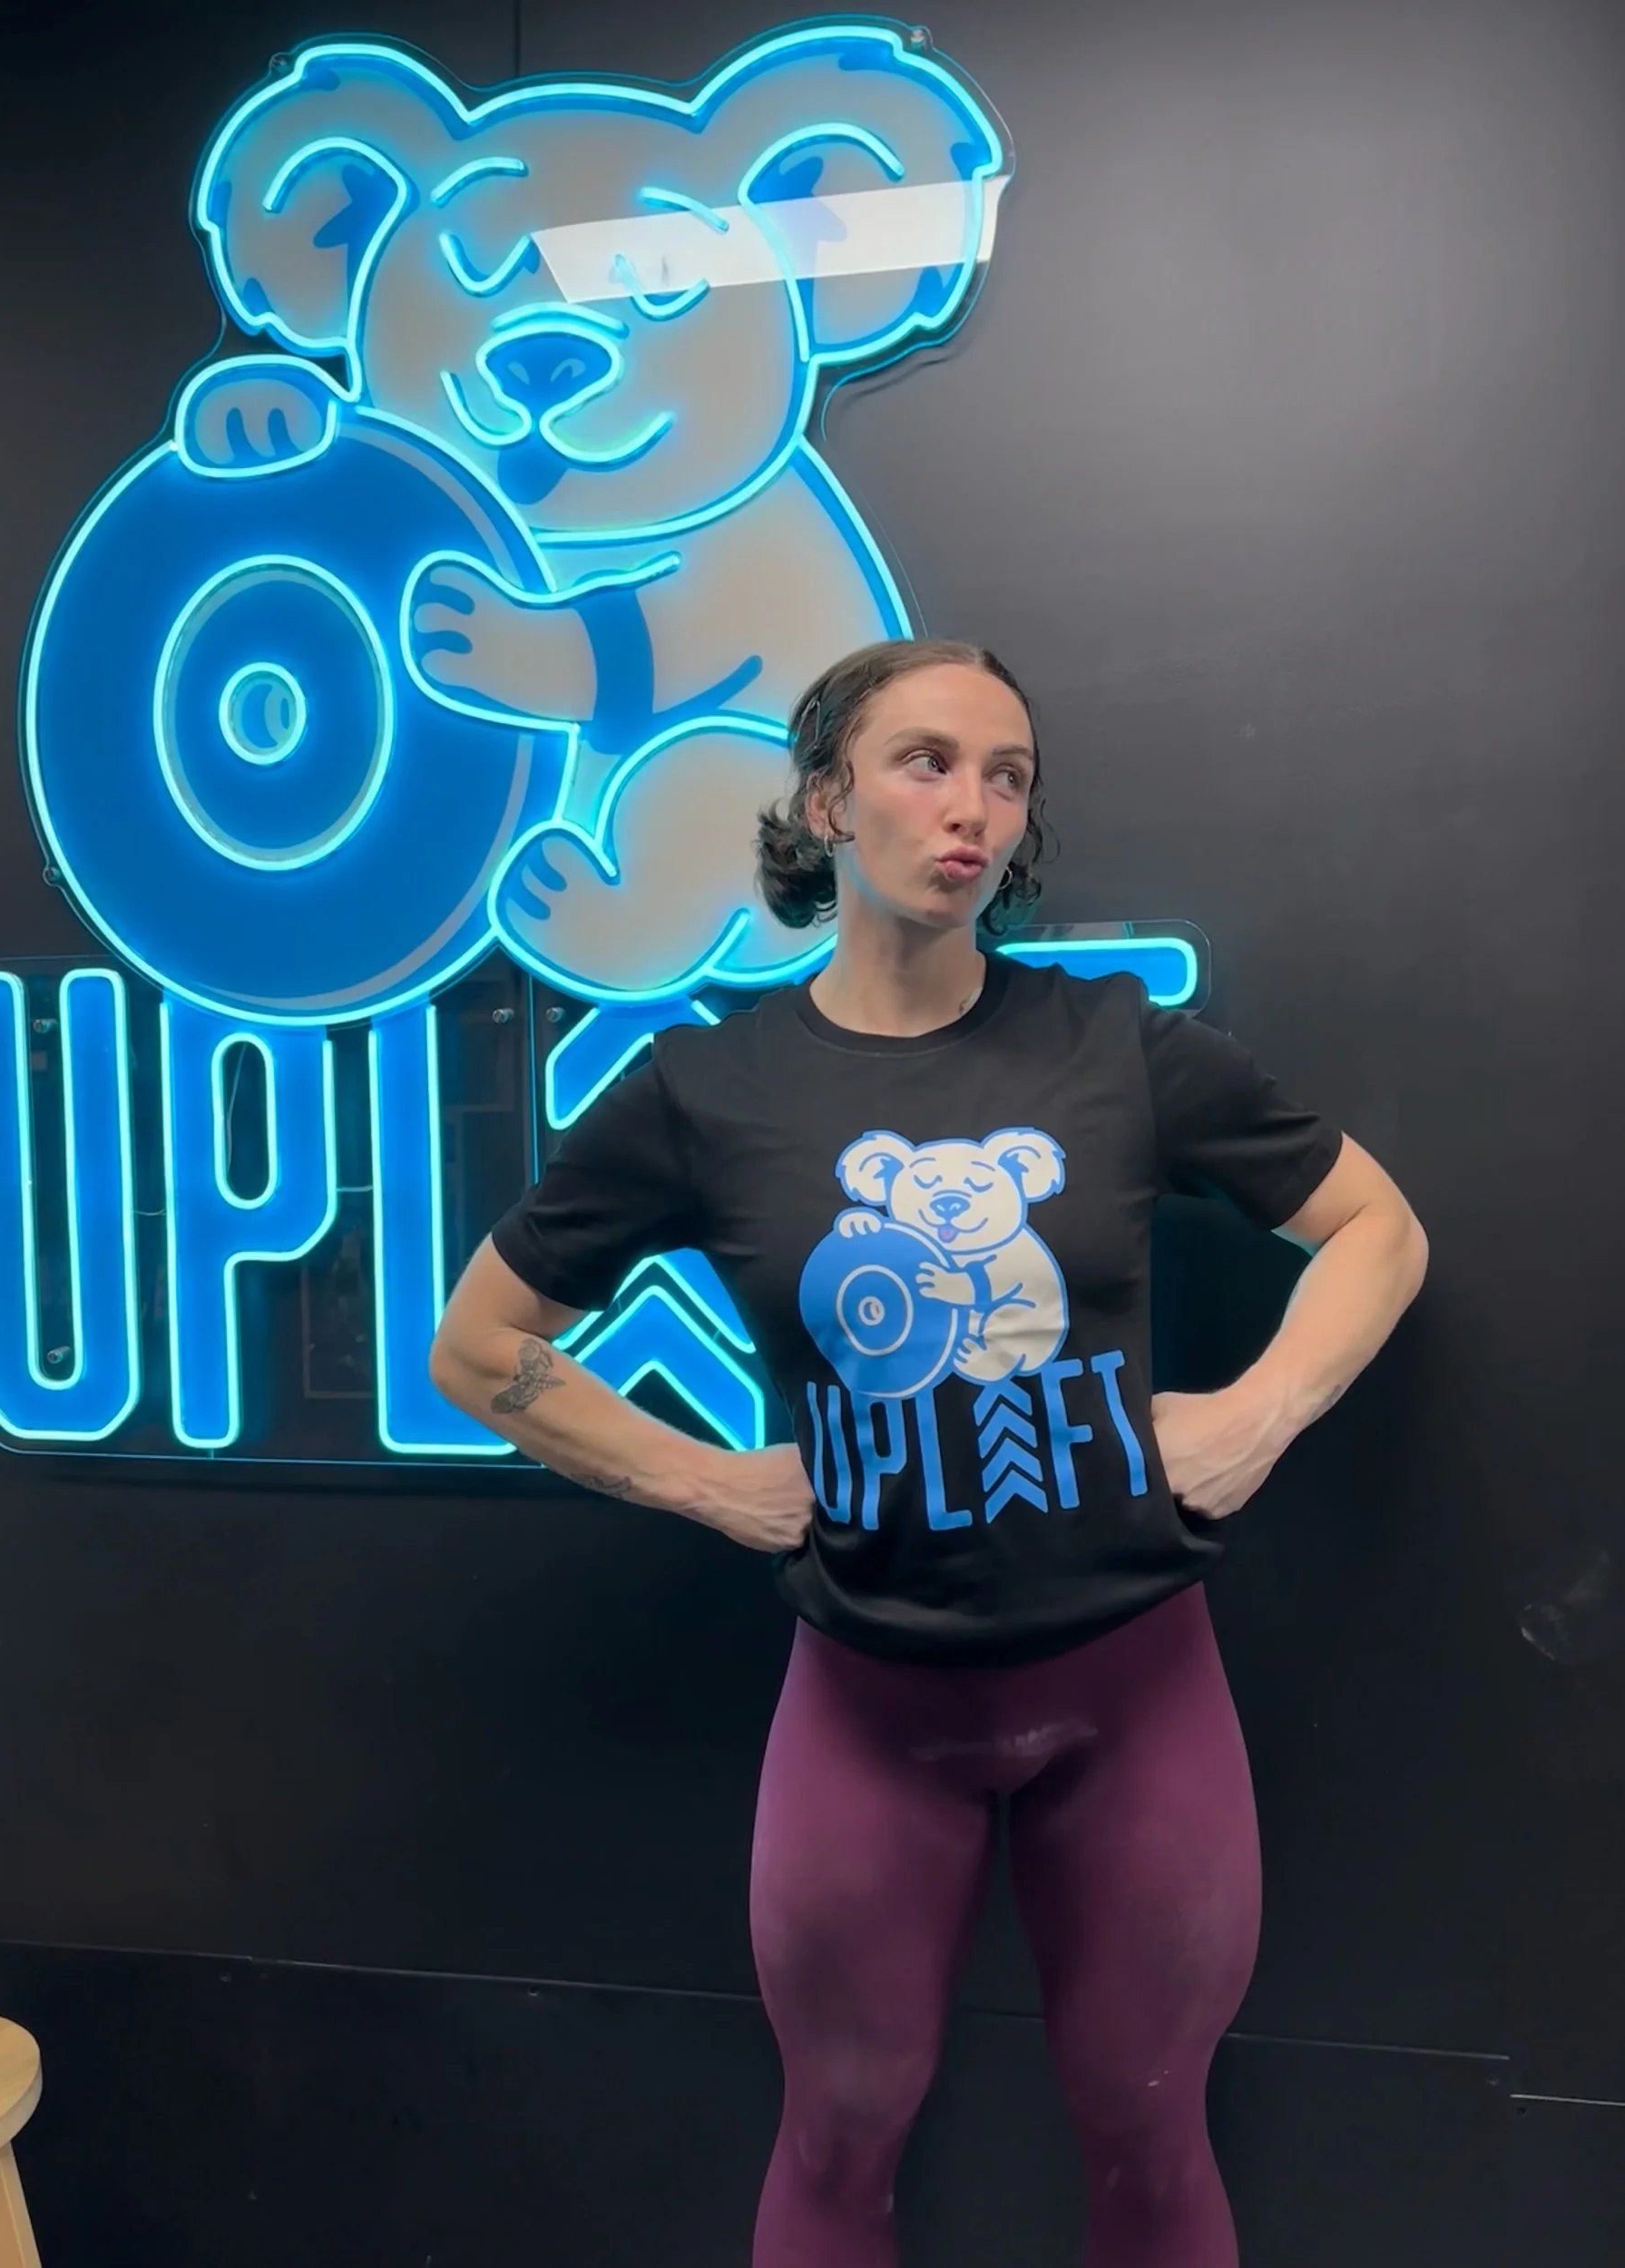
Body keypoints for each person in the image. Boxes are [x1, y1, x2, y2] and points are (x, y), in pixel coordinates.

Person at [429, 638, 1428, 2268]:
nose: (972, 806)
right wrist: (703, 1478)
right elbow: (479, 1347)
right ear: (826, 800)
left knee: (1150, 2131)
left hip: (1137, 1694)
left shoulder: (1112, 1044)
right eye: (925, 762)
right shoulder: (709, 1088)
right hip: (871, 1706)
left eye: (1006, 776)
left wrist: (1258, 1410)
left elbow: (1377, 1230)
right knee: (837, 2135)